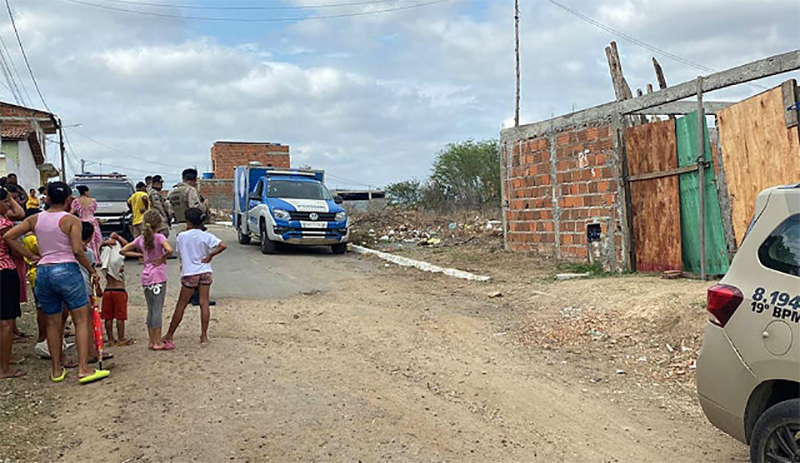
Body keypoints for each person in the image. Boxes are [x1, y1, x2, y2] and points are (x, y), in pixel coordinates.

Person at [3, 182, 109, 384]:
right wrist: (91, 270)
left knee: (52, 322)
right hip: (67, 269)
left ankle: (56, 369)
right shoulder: (71, 220)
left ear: (48, 198)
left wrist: (30, 256)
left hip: (43, 271)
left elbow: (9, 236)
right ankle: (83, 368)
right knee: (81, 320)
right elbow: (78, 250)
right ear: (69, 200)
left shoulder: (35, 219)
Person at [162, 208, 226, 346]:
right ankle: (204, 336)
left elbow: (181, 255)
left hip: (190, 272)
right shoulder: (206, 236)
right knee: (204, 303)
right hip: (205, 270)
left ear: (188, 222)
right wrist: (210, 255)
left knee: (181, 304)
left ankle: (169, 334)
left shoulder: (182, 236)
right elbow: (222, 245)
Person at [121, 210, 173, 350]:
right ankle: (157, 341)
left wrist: (140, 254)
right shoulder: (160, 237)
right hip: (158, 276)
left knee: (150, 309)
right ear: (159, 224)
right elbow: (169, 250)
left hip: (146, 276)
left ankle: (151, 340)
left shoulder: (140, 239)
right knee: (157, 309)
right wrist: (162, 258)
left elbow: (123, 250)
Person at [0, 186, 26, 379]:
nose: (9, 205)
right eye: (6, 202)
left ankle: (5, 358)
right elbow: (15, 248)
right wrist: (32, 255)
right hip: (4, 271)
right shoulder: (4, 224)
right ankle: (4, 368)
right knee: (6, 322)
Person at [100, 232, 131, 346]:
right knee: (120, 316)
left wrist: (104, 243)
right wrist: (118, 237)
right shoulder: (119, 259)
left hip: (108, 289)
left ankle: (110, 339)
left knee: (108, 317)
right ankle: (121, 338)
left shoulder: (105, 257)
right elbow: (128, 244)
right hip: (119, 290)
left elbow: (98, 249)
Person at [71, 185, 102, 258]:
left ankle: (85, 257)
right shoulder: (93, 201)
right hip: (92, 221)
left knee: (83, 239)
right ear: (85, 192)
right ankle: (96, 257)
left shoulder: (76, 201)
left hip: (81, 222)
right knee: (95, 240)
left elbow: (72, 212)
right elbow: (94, 211)